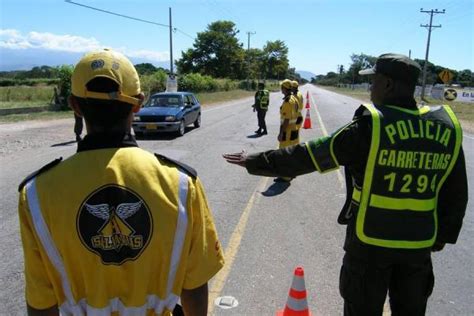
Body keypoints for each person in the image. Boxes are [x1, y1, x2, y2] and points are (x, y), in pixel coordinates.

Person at [223, 53, 468, 316]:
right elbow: (456, 193)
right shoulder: (445, 128)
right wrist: (442, 236)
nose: (371, 88)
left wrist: (256, 161)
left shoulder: (372, 125)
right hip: (418, 246)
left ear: (388, 85)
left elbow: (310, 156)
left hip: (369, 244)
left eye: (374, 81)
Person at [18, 49, 225, 316]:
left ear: (75, 106)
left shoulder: (36, 193)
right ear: (138, 103)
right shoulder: (182, 185)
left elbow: (40, 303)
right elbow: (195, 285)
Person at [276, 79, 300, 182]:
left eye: (282, 87)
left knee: (284, 154)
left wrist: (281, 133)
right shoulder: (294, 99)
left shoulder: (287, 102)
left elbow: (286, 120)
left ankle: (285, 176)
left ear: (284, 89)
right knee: (292, 153)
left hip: (288, 132)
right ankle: (292, 173)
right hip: (294, 130)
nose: (281, 89)